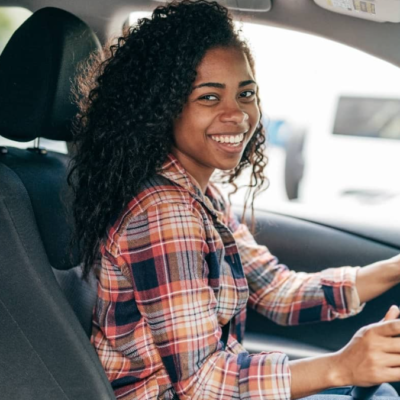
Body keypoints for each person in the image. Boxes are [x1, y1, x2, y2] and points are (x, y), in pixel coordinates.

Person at [68, 1, 400, 399]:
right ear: (162, 108)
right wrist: (341, 367)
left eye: (246, 93)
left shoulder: (199, 196)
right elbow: (203, 384)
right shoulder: (162, 213)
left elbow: (279, 292)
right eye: (209, 97)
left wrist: (393, 269)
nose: (238, 115)